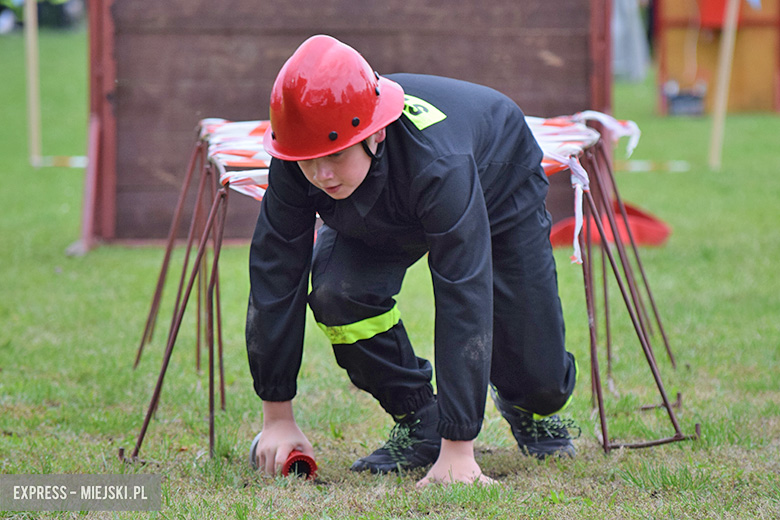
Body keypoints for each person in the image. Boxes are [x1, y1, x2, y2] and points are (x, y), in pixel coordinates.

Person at [246, 34, 578, 486]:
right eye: (309, 162)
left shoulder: (439, 164)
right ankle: (419, 417)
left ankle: (526, 405)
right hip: (380, 196)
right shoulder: (300, 152)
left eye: (335, 156)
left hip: (496, 179)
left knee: (542, 382)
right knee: (337, 294)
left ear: (375, 132)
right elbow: (274, 273)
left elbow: (463, 291)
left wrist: (459, 449)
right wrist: (277, 416)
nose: (321, 175)